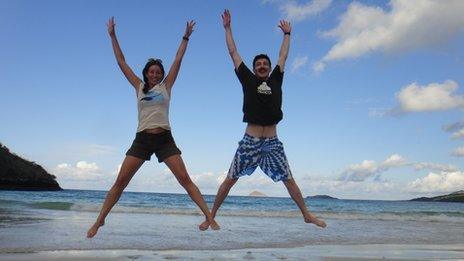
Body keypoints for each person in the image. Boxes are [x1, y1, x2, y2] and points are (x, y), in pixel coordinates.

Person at [87, 17, 219, 238]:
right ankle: (99, 221)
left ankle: (209, 217)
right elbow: (121, 62)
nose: (155, 74)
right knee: (120, 181)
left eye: (158, 71)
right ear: (146, 73)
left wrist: (185, 37)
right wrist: (112, 36)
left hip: (165, 139)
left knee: (185, 179)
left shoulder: (166, 86)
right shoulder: (138, 87)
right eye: (152, 71)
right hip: (142, 139)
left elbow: (178, 59)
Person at [203, 10, 327, 229]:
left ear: (269, 68)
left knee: (289, 179)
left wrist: (287, 35)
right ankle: (211, 216)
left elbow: (283, 56)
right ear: (253, 68)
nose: (262, 66)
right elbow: (233, 52)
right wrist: (227, 28)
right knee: (230, 179)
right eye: (258, 64)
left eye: (265, 64)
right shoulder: (247, 79)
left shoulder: (276, 79)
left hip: (272, 143)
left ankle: (307, 215)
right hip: (250, 141)